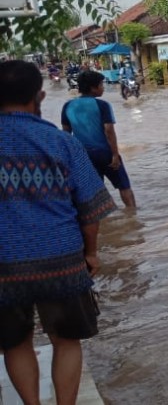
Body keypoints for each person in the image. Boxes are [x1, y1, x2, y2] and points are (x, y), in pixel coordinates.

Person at [0, 60, 116, 405]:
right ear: (39, 95)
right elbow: (91, 207)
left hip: (3, 265)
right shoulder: (59, 142)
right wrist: (91, 252)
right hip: (61, 258)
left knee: (14, 343)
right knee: (66, 340)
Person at [61, 71, 137, 208]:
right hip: (105, 152)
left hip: (83, 155)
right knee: (124, 186)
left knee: (95, 192)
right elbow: (109, 130)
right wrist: (114, 154)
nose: (103, 88)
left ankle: (103, 223)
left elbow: (66, 135)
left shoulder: (68, 106)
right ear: (92, 87)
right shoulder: (102, 105)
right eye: (101, 85)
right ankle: (133, 215)